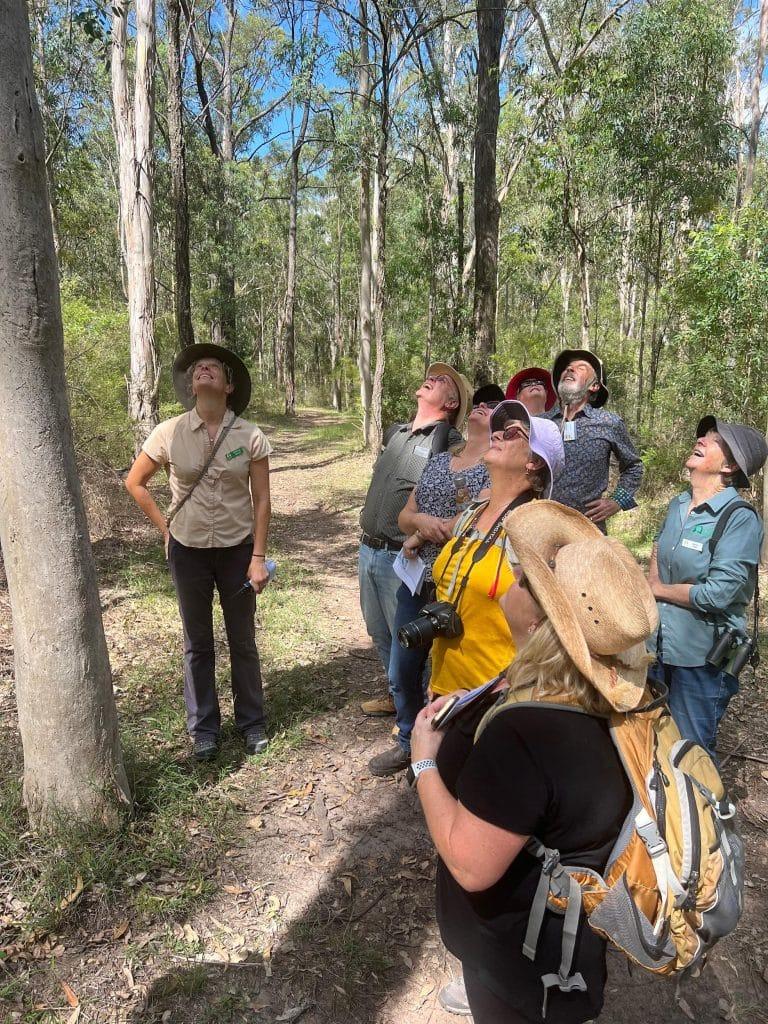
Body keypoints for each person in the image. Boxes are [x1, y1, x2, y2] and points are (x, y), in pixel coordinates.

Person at [411, 500, 658, 1024]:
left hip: (521, 959)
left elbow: (470, 864)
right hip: (567, 937)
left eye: (525, 584)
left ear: (547, 622)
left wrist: (423, 763)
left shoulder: (526, 733)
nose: (509, 584)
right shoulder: (612, 698)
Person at [125, 344, 272, 762]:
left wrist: (258, 557)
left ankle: (251, 722)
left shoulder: (250, 436)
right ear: (191, 386)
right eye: (197, 369)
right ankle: (204, 728)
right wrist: (165, 527)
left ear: (228, 386)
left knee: (242, 639)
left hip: (237, 550)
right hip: (188, 551)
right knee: (197, 642)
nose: (203, 370)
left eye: (213, 369)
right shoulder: (168, 432)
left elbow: (261, 500)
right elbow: (135, 482)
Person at [367, 396, 496, 776]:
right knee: (401, 669)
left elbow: (482, 519)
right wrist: (421, 522)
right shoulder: (439, 461)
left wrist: (434, 528)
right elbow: (405, 516)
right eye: (481, 403)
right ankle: (409, 740)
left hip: (460, 585)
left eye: (494, 407)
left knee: (448, 675)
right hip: (417, 578)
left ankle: (441, 753)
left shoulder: (496, 468)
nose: (483, 407)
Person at [428, 401, 564, 699]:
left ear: (535, 462)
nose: (499, 434)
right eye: (500, 429)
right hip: (444, 688)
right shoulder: (471, 514)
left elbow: (541, 632)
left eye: (514, 432)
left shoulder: (534, 531)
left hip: (493, 698)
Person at [648, 416, 767, 758]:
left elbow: (717, 594)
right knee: (652, 743)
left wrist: (657, 590)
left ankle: (706, 811)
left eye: (713, 439)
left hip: (702, 661)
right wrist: (655, 580)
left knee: (690, 753)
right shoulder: (678, 504)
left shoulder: (739, 517)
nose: (701, 439)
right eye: (703, 435)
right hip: (657, 646)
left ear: (729, 466)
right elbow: (659, 543)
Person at [358, 364, 470, 717]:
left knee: (408, 643)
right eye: (431, 376)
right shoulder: (397, 434)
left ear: (451, 402)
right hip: (368, 548)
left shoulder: (449, 443)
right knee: (379, 632)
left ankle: (416, 717)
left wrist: (424, 528)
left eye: (442, 382)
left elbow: (459, 498)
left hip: (404, 556)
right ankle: (398, 698)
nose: (431, 379)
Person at [546, 349, 642, 530]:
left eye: (580, 367)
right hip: (542, 525)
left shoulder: (608, 422)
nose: (569, 369)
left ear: (594, 386)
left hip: (587, 527)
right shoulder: (540, 422)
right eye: (567, 368)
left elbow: (634, 467)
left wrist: (617, 501)